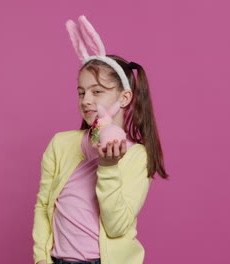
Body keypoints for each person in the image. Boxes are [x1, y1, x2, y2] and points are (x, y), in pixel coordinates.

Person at [32, 14, 168, 264]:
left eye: (97, 91)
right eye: (81, 92)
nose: (86, 100)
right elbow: (43, 207)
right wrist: (41, 258)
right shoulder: (61, 144)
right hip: (57, 260)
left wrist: (108, 168)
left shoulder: (137, 156)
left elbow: (116, 226)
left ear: (124, 98)